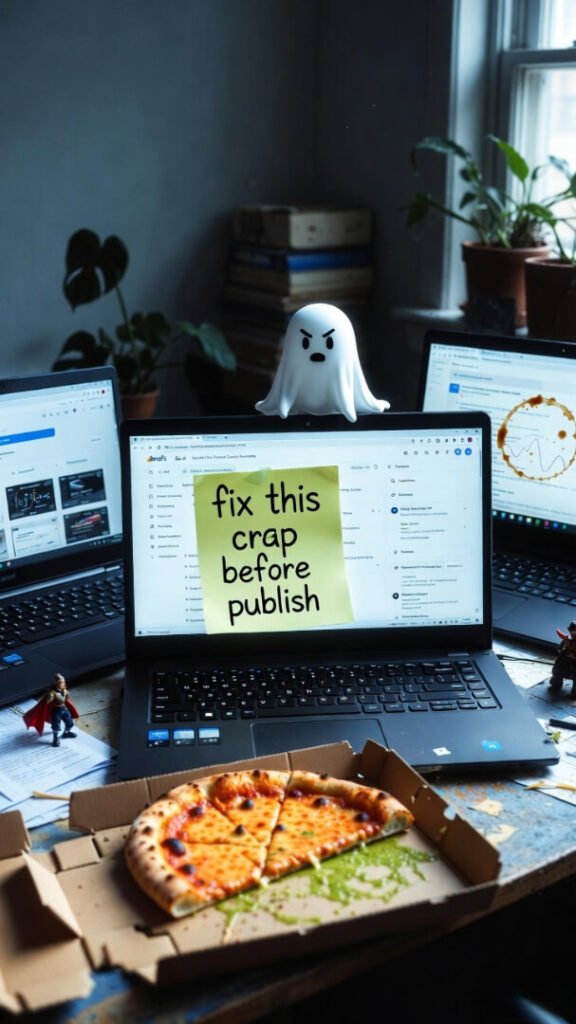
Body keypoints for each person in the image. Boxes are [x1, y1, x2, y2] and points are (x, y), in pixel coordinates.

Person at [23, 673, 80, 747]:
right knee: (56, 726)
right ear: (57, 684)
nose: (64, 684)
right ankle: (55, 739)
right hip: (56, 710)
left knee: (70, 723)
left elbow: (66, 699)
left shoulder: (64, 691)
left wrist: (66, 694)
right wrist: (49, 697)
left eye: (64, 682)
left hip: (64, 709)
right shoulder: (52, 693)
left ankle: (66, 733)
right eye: (62, 682)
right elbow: (48, 701)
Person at [549, 621, 576, 698]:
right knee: (557, 672)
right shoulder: (566, 640)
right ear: (569, 629)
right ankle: (556, 682)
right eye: (574, 632)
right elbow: (560, 648)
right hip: (564, 661)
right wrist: (563, 651)